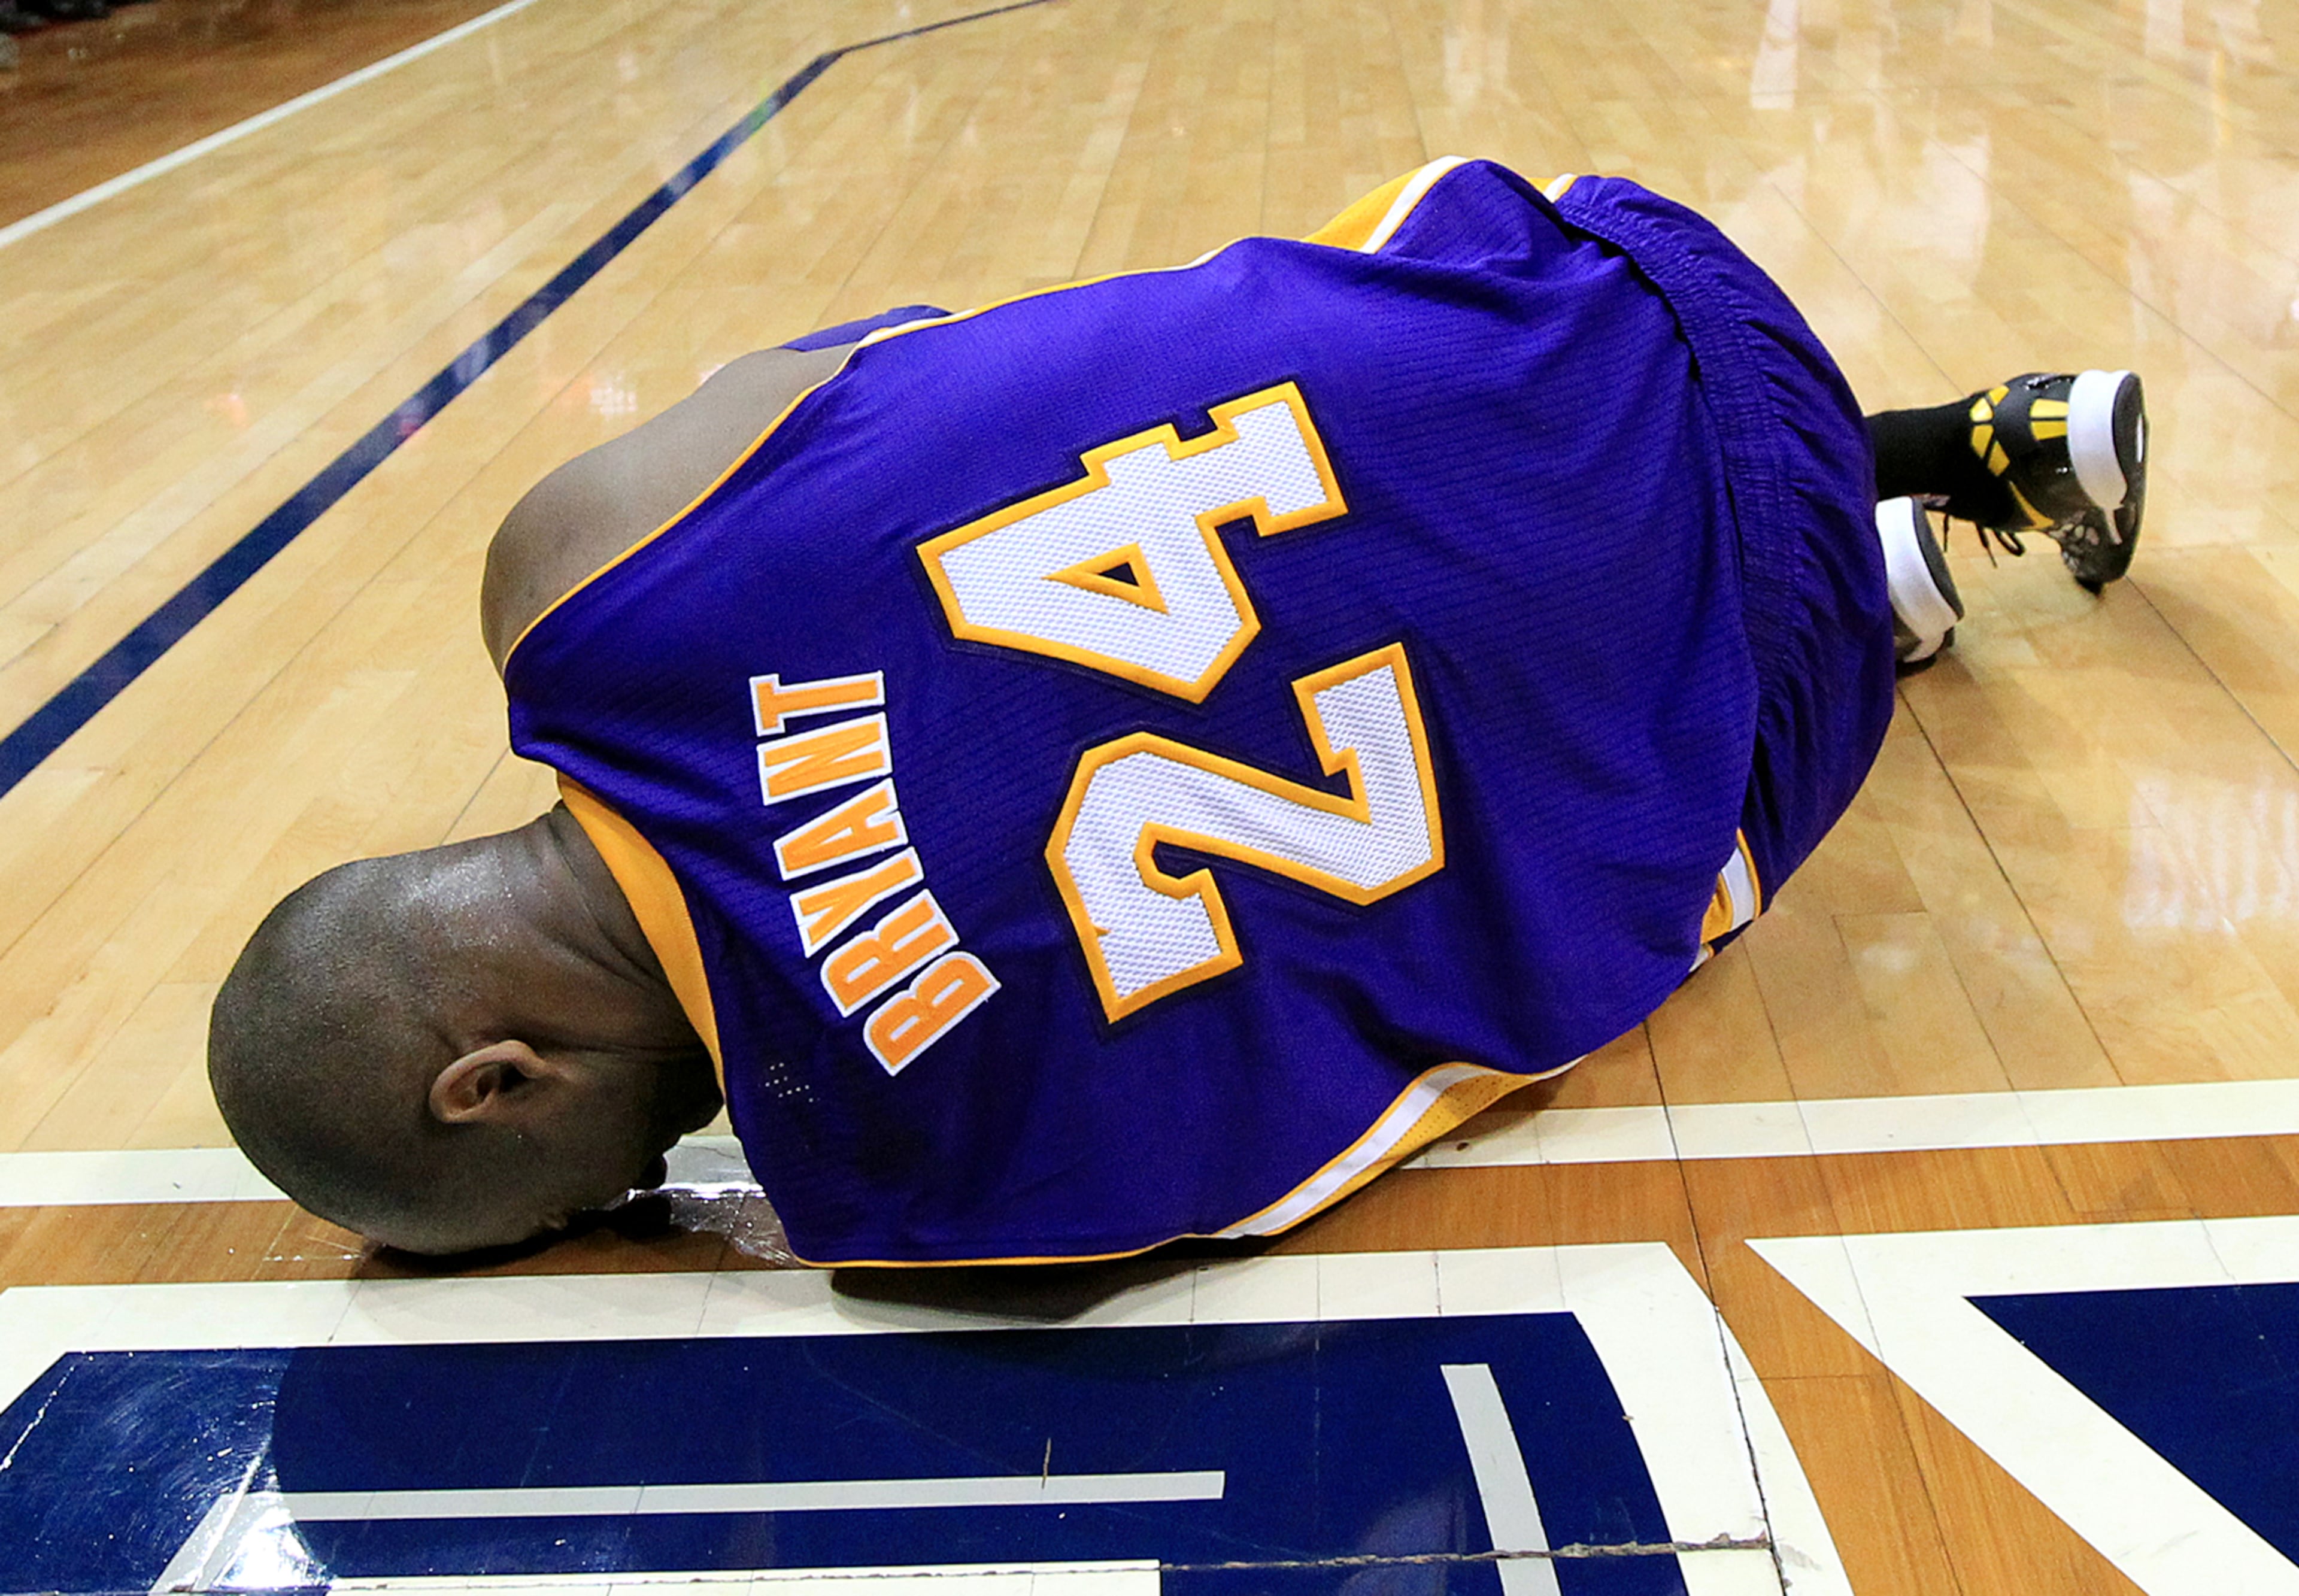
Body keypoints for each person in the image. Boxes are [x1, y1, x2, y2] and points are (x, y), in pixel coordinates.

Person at [207, 157, 2148, 1266]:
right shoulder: (569, 564)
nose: (638, 1193)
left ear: (497, 1079)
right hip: (1621, 279)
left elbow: (1444, 1071)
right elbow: (955, 344)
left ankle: (1874, 575)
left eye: (579, 1199)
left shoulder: (927, 1193)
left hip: (1770, 685)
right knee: (1178, 396)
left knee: (1593, 864)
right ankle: (1910, 463)